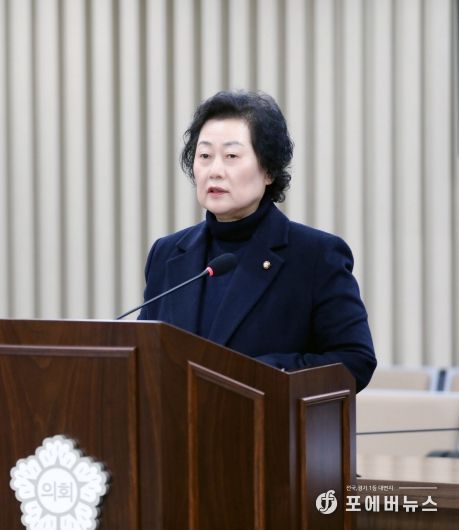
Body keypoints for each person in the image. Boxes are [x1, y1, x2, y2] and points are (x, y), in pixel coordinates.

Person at [139, 90, 376, 392]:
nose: (215, 171)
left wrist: (263, 375)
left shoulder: (315, 256)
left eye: (232, 157)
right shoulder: (167, 253)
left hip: (270, 419)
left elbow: (355, 360)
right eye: (205, 156)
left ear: (268, 171)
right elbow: (146, 354)